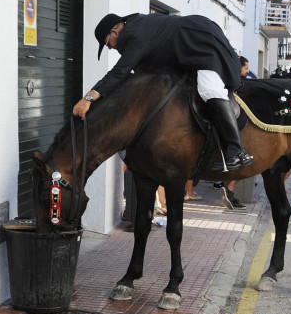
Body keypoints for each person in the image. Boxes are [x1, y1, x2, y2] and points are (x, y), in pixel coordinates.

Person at [73, 13, 253, 171]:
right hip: (189, 46)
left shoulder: (134, 35)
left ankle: (237, 151)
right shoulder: (137, 29)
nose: (111, 48)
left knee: (209, 89)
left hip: (201, 43)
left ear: (114, 32)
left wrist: (88, 98)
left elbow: (120, 72)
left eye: (108, 44)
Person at [220, 56, 250, 210]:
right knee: (246, 161)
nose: (248, 71)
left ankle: (229, 193)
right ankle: (229, 189)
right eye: (246, 68)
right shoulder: (236, 86)